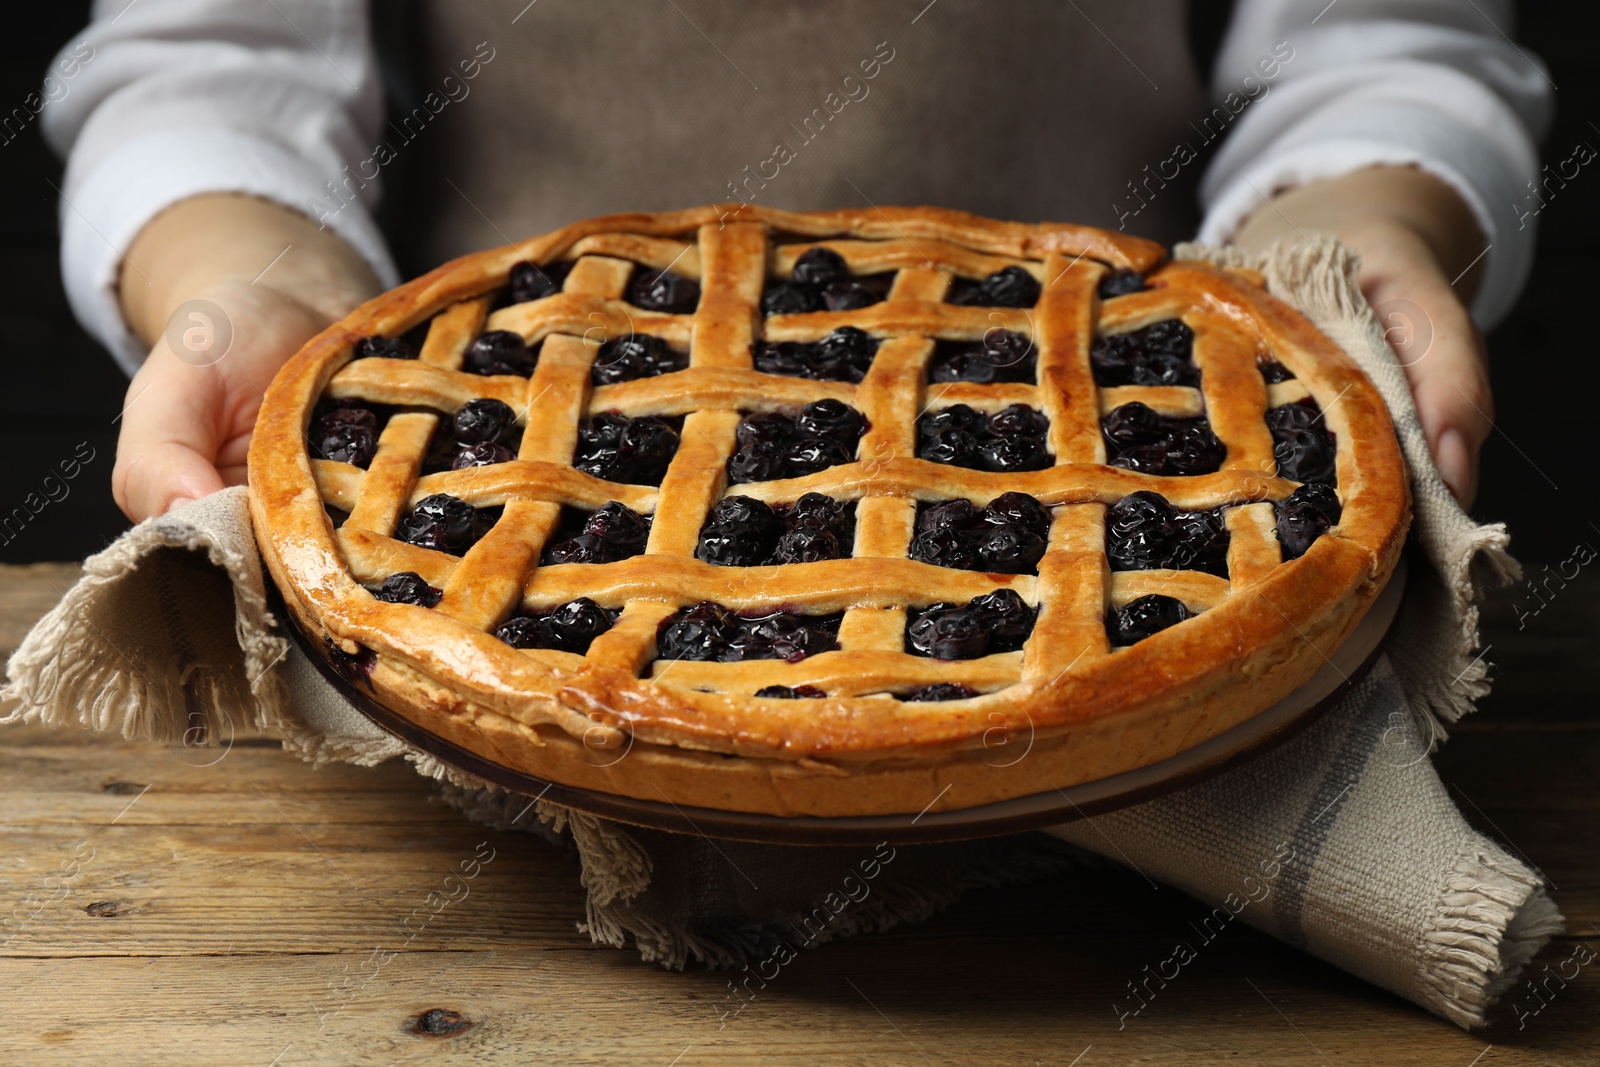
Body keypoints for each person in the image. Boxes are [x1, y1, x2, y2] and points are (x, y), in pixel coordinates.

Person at [42, 0, 1551, 522]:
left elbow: (1380, 47)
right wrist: (255, 285)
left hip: (1107, 446)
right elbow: (206, 65)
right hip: (507, 458)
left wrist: (1347, 240)